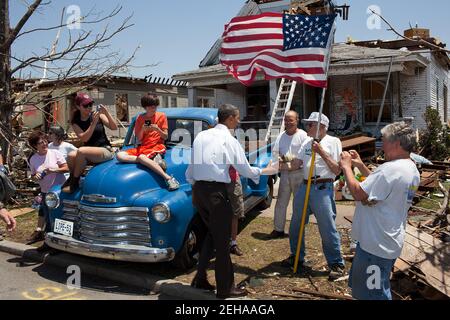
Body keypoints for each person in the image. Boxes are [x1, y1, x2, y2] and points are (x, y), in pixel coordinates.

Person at [186, 104, 274, 299]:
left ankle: (199, 278)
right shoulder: (229, 139)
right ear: (231, 119)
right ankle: (225, 289)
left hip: (200, 191)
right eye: (238, 117)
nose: (240, 121)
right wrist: (268, 170)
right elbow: (246, 170)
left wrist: (194, 188)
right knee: (223, 241)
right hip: (216, 193)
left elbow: (191, 169)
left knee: (211, 234)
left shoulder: (201, 136)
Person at [339, 122, 420, 300]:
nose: (381, 144)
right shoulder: (409, 167)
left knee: (374, 294)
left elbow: (359, 193)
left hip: (376, 246)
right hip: (382, 241)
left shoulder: (390, 169)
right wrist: (360, 166)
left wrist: (346, 167)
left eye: (384, 140)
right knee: (367, 291)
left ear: (396, 143)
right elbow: (379, 185)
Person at [284, 112, 345, 281]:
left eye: (311, 124)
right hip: (304, 186)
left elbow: (337, 170)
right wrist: (276, 166)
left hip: (322, 187)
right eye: (308, 124)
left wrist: (321, 151)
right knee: (296, 224)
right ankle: (296, 256)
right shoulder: (306, 141)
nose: (307, 127)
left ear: (322, 127)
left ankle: (336, 264)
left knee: (327, 227)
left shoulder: (334, 142)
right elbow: (297, 163)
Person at [116, 94, 179, 190]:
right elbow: (140, 138)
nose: (154, 108)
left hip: (157, 146)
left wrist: (157, 129)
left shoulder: (161, 116)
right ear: (145, 107)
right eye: (151, 106)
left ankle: (168, 178)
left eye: (155, 105)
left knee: (142, 157)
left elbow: (165, 136)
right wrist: (142, 129)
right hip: (143, 147)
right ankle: (150, 161)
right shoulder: (140, 118)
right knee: (119, 155)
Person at [63, 92, 118, 193]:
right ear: (78, 107)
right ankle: (73, 178)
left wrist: (106, 113)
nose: (89, 107)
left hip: (105, 150)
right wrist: (93, 124)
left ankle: (74, 182)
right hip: (88, 152)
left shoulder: (98, 115)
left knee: (81, 151)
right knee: (71, 155)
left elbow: (114, 127)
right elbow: (84, 139)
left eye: (90, 104)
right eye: (85, 105)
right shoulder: (76, 122)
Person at [269, 110, 307, 239]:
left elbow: (303, 157)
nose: (288, 122)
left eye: (291, 120)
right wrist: (289, 160)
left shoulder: (303, 135)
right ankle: (278, 229)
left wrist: (285, 159)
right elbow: (275, 154)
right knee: (281, 202)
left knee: (298, 203)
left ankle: (298, 230)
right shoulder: (281, 136)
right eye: (286, 120)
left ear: (297, 120)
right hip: (285, 174)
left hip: (299, 173)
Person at [27, 131, 69, 244]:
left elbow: (66, 168)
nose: (45, 143)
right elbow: (32, 176)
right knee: (48, 218)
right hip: (46, 192)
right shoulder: (33, 159)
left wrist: (53, 170)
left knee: (60, 216)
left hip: (58, 192)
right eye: (41, 142)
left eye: (45, 141)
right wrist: (35, 176)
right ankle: (50, 242)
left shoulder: (55, 153)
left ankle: (60, 242)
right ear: (35, 146)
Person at [228, 167, 245, 256]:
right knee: (219, 213)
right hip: (217, 182)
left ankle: (233, 244)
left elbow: (241, 164)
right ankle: (220, 243)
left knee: (235, 213)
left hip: (233, 180)